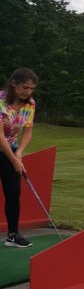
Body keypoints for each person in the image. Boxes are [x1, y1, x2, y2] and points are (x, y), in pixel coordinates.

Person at [1, 68, 38, 248]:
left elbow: (28, 132)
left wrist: (19, 152)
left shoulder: (30, 104)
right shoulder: (0, 100)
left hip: (11, 149)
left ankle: (13, 235)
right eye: (25, 87)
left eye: (31, 89)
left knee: (13, 193)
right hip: (3, 147)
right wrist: (14, 160)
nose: (28, 92)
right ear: (13, 83)